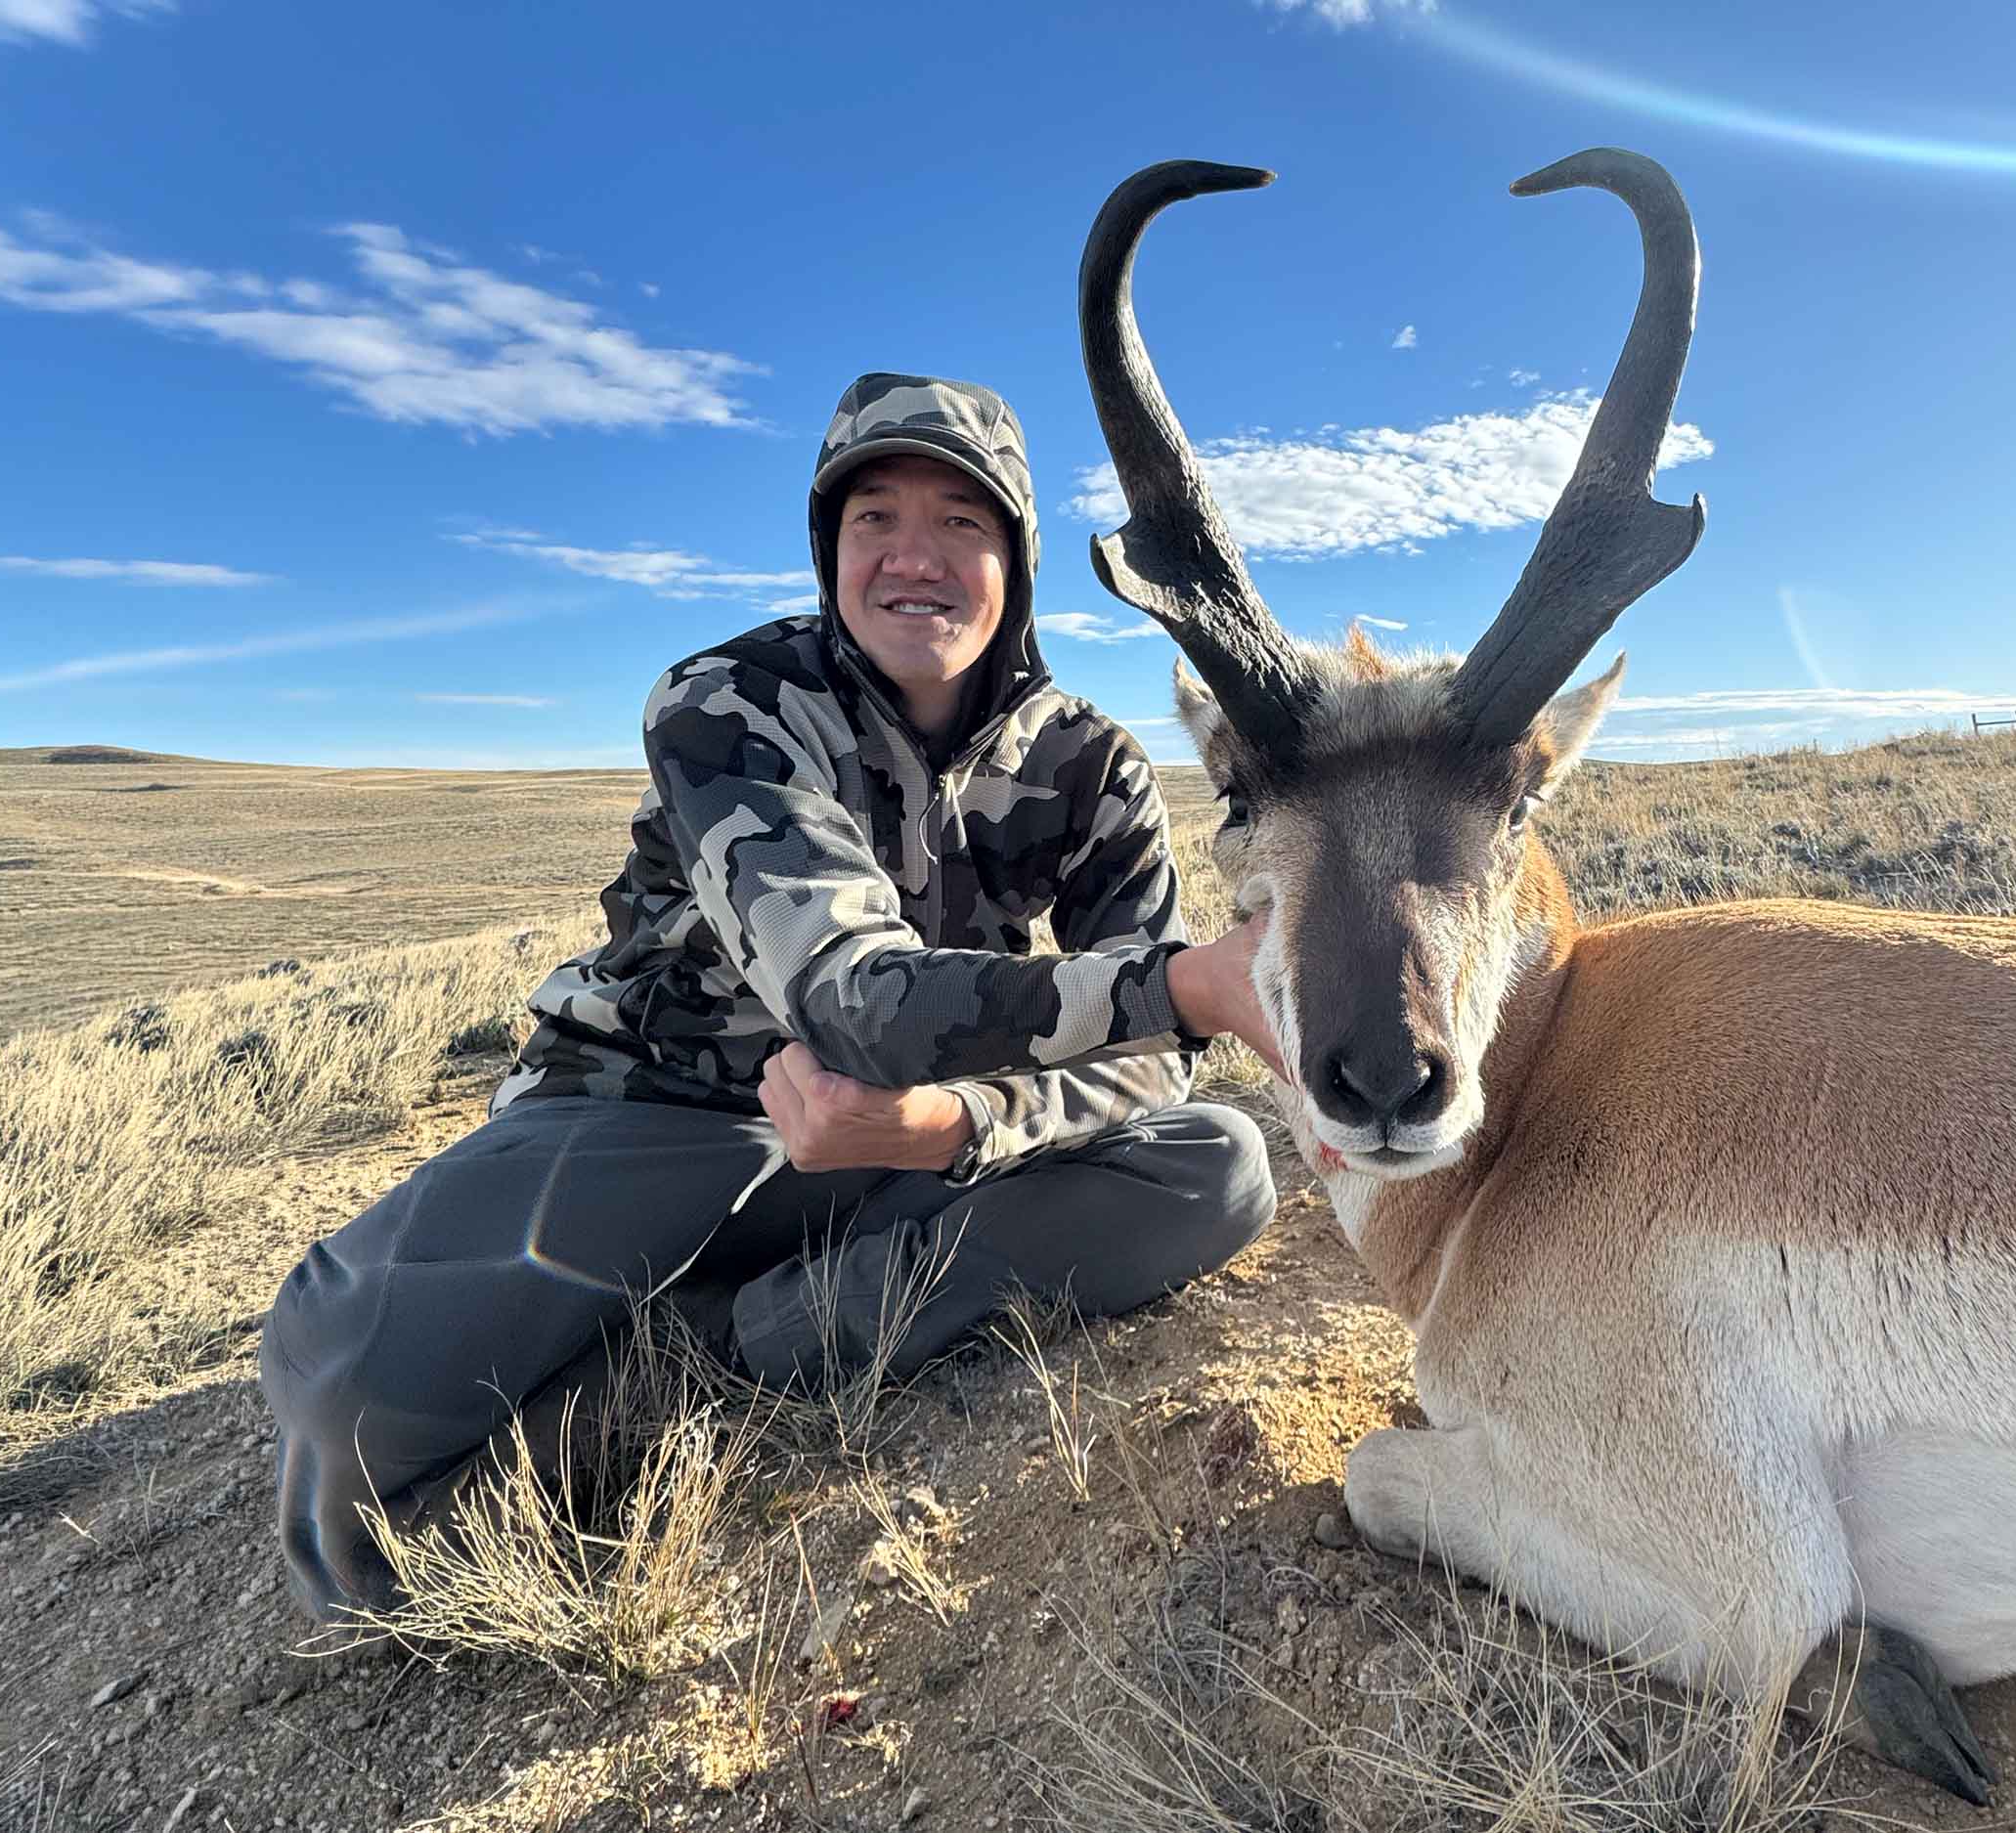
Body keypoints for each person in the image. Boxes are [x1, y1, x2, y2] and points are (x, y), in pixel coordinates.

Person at [259, 372, 1281, 1624]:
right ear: (828, 549)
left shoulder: (1091, 763)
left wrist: (951, 1129)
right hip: (651, 1118)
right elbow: (852, 1000)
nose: (918, 558)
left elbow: (1154, 1068)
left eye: (963, 522)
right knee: (335, 1379)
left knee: (1213, 1166)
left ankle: (719, 1356)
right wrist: (1184, 986)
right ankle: (746, 1287)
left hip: (901, 1150)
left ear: (1013, 558)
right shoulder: (727, 706)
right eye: (875, 521)